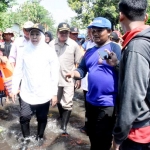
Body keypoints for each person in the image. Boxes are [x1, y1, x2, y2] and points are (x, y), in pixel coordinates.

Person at [65, 17, 121, 150]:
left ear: (109, 31)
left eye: (99, 30)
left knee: (104, 137)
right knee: (91, 132)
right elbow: (82, 70)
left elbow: (124, 70)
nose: (95, 33)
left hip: (108, 102)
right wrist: (74, 74)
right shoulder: (90, 52)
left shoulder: (113, 48)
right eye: (93, 30)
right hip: (91, 101)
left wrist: (116, 64)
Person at [103, 0, 150, 150]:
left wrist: (118, 137)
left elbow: (133, 96)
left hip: (138, 132)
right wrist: (118, 64)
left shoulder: (136, 46)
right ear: (146, 17)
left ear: (120, 16)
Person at [11, 24, 60, 149]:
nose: (34, 37)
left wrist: (54, 93)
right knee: (24, 116)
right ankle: (26, 140)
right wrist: (14, 88)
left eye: (37, 34)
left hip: (43, 91)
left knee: (42, 117)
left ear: (42, 36)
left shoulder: (49, 51)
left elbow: (54, 73)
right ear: (29, 35)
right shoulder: (24, 51)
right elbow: (18, 70)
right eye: (32, 34)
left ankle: (40, 137)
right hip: (27, 91)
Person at [49, 22, 82, 136]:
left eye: (66, 32)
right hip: (55, 79)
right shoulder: (51, 44)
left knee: (67, 102)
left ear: (68, 33)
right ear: (57, 32)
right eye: (61, 32)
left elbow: (78, 63)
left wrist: (78, 78)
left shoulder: (74, 45)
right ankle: (62, 116)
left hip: (68, 79)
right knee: (57, 100)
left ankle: (63, 127)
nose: (63, 34)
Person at [80, 25, 96, 134]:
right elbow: (83, 63)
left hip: (96, 84)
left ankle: (94, 125)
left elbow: (103, 63)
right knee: (88, 105)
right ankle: (88, 125)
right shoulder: (87, 44)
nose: (92, 34)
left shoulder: (102, 47)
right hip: (86, 81)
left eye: (93, 32)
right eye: (90, 32)